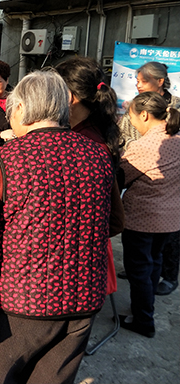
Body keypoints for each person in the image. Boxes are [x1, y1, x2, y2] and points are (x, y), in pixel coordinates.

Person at [0, 70, 114, 384]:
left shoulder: (8, 159)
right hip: (83, 299)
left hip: (21, 302)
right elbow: (113, 221)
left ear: (22, 109)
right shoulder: (99, 155)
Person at [55, 57, 125, 294]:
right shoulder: (94, 132)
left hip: (75, 261)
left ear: (69, 97)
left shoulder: (85, 147)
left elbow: (116, 220)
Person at [118, 91, 180, 338]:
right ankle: (145, 310)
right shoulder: (177, 139)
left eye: (131, 117)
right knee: (154, 263)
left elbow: (120, 178)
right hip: (170, 219)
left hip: (142, 220)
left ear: (144, 115)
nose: (131, 123)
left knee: (139, 271)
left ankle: (143, 320)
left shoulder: (144, 147)